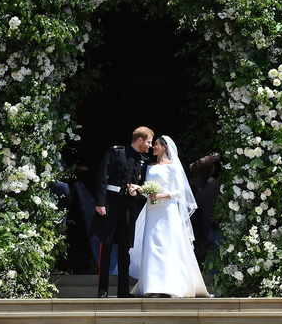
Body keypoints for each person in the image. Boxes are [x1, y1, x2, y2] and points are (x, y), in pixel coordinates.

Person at [128, 135, 210, 298]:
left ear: (165, 147)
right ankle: (153, 286)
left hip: (167, 210)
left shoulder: (173, 167)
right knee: (152, 245)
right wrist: (140, 188)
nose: (153, 147)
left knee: (167, 244)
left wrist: (162, 196)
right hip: (152, 210)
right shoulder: (150, 167)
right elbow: (148, 188)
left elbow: (180, 191)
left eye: (156, 144)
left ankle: (170, 285)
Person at [89, 126, 154, 298]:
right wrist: (100, 203)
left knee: (125, 249)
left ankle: (123, 290)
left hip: (128, 207)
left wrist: (137, 192)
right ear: (139, 140)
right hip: (110, 204)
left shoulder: (143, 160)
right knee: (107, 247)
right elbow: (103, 176)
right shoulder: (116, 152)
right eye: (148, 142)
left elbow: (143, 186)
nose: (150, 146)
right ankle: (102, 289)